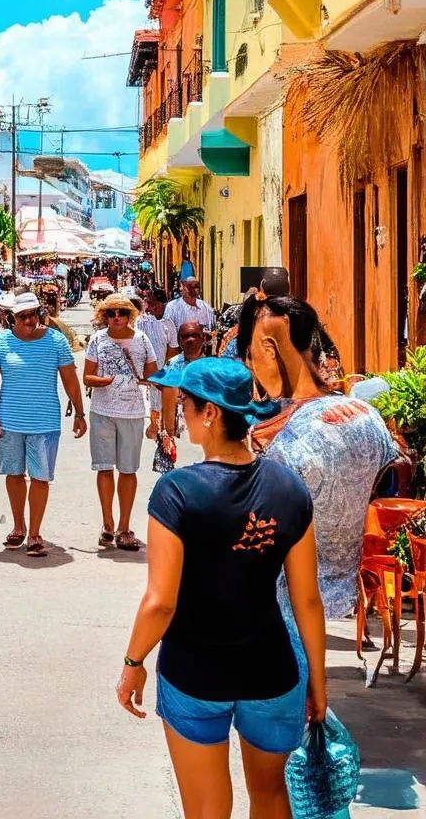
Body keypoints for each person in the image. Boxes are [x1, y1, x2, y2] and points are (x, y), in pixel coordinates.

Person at [117, 357, 326, 819]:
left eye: (186, 404)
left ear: (210, 413)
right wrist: (317, 679)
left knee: (207, 810)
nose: (181, 412)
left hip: (195, 672)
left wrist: (133, 663)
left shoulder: (175, 492)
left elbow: (160, 602)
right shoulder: (289, 488)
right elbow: (306, 599)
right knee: (271, 797)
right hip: (272, 671)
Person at [237, 295, 397, 620]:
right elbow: (394, 478)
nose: (250, 364)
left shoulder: (282, 441)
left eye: (253, 353)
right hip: (352, 583)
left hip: (289, 596)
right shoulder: (368, 415)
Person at [0, 292, 86, 557]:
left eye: (34, 314)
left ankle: (35, 533)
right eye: (23, 316)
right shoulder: (0, 342)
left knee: (40, 477)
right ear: (12, 317)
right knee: (14, 474)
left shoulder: (56, 341)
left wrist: (79, 412)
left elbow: (70, 379)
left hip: (45, 422)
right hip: (10, 421)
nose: (30, 320)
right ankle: (18, 527)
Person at [84, 294, 157, 551]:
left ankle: (124, 527)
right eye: (112, 313)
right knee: (104, 468)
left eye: (122, 313)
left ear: (130, 315)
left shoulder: (142, 339)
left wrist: (157, 412)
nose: (116, 317)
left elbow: (152, 375)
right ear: (105, 316)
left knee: (128, 470)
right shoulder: (97, 340)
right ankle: (108, 523)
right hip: (102, 411)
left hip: (132, 412)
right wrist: (110, 381)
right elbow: (87, 377)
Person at [136, 289, 175, 440]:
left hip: (161, 373)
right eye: (147, 303)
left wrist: (162, 370)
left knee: (162, 405)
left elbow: (172, 351)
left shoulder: (168, 325)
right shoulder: (140, 322)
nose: (149, 307)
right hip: (143, 375)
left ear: (162, 305)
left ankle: (163, 433)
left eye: (153, 304)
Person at [163, 277, 216, 344]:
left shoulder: (206, 308)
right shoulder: (172, 307)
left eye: (196, 287)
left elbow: (213, 332)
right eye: (189, 286)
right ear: (182, 288)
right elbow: (166, 333)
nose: (193, 290)